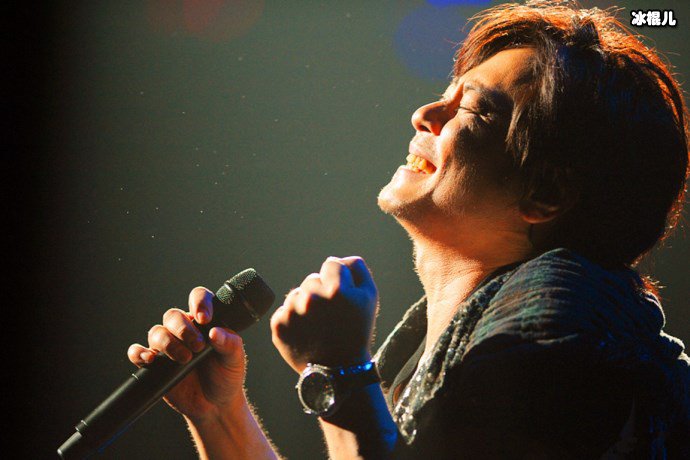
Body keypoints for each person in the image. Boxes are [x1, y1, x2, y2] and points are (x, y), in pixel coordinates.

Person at [127, 1, 690, 458]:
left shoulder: (562, 312)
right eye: (445, 95)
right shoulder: (446, 342)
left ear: (546, 194)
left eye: (472, 110)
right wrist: (218, 414)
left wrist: (339, 368)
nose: (425, 114)